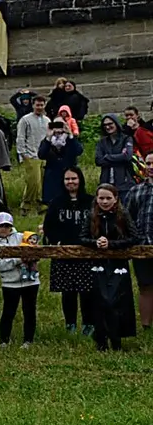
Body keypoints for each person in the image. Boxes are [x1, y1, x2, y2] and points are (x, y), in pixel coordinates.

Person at [45, 167, 95, 334]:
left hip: (87, 251)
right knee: (68, 292)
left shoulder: (91, 201)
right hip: (64, 252)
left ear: (80, 180)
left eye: (74, 178)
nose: (71, 182)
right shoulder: (56, 202)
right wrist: (56, 241)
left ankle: (89, 324)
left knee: (87, 291)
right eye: (67, 179)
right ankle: (70, 324)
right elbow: (48, 226)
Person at [87, 185, 137, 351]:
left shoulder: (123, 215)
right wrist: (96, 243)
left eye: (108, 198)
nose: (105, 201)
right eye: (101, 198)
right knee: (100, 302)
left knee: (115, 303)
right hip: (98, 266)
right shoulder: (92, 215)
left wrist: (112, 245)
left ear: (115, 198)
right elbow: (81, 237)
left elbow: (134, 237)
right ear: (97, 199)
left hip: (118, 265)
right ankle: (101, 341)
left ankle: (116, 341)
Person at [0, 212, 39, 347]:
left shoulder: (22, 237)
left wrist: (32, 257)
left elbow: (35, 250)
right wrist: (18, 259)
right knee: (8, 312)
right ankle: (4, 340)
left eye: (7, 226)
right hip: (10, 283)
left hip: (30, 281)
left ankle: (28, 340)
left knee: (29, 311)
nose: (4, 228)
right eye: (0, 225)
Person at [122, 163, 153, 332]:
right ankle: (146, 326)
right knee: (145, 286)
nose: (151, 166)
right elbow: (127, 219)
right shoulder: (136, 190)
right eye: (148, 163)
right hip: (142, 246)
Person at [14, 95, 49, 214]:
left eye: (42, 105)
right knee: (33, 181)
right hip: (30, 154)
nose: (39, 107)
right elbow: (20, 137)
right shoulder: (25, 119)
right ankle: (26, 205)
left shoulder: (47, 120)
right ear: (33, 105)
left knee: (44, 182)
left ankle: (41, 205)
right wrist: (23, 154)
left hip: (45, 155)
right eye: (37, 105)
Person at [95, 115, 136, 189]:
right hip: (106, 183)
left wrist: (107, 157)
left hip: (125, 183)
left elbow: (127, 156)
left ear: (116, 123)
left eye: (110, 124)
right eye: (105, 125)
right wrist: (120, 157)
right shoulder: (102, 142)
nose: (107, 127)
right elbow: (98, 160)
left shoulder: (126, 139)